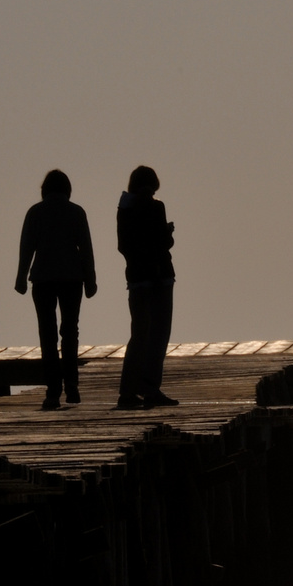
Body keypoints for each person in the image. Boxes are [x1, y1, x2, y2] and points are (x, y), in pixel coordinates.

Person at [15, 169, 97, 410]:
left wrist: (20, 277)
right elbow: (86, 250)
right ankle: (71, 383)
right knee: (70, 331)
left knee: (47, 335)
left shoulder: (35, 212)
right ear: (68, 190)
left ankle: (53, 391)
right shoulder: (76, 212)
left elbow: (26, 248)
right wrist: (91, 280)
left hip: (43, 279)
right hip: (72, 278)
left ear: (44, 190)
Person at [116, 165, 177, 409]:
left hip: (137, 280)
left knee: (139, 337)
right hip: (160, 278)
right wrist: (168, 233)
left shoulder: (124, 210)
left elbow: (124, 246)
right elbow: (162, 243)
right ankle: (151, 388)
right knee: (158, 336)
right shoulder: (156, 207)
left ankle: (127, 392)